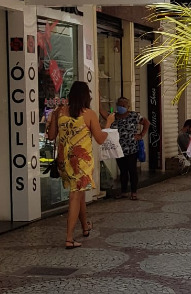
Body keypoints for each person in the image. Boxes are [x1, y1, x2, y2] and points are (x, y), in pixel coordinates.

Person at [46, 81, 113, 249]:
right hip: (81, 162)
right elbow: (99, 138)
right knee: (76, 195)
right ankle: (69, 238)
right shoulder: (89, 114)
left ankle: (85, 227)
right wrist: (109, 123)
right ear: (85, 96)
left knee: (79, 193)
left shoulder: (59, 112)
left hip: (64, 161)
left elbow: (51, 136)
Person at [111, 97, 150, 200]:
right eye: (119, 105)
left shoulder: (134, 115)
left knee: (132, 170)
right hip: (118, 148)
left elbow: (147, 123)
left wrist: (141, 135)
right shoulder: (114, 116)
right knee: (123, 171)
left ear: (128, 107)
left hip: (131, 148)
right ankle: (123, 191)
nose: (121, 107)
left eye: (123, 105)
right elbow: (103, 115)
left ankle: (134, 192)